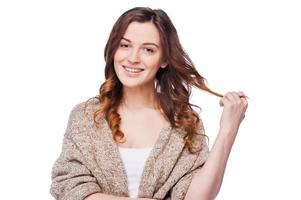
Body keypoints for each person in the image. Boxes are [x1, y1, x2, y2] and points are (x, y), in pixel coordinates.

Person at [50, 7, 248, 200]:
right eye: (125, 45)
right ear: (113, 49)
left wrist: (228, 130)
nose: (133, 58)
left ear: (164, 59)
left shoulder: (183, 121)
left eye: (148, 49)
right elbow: (69, 186)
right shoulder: (85, 116)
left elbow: (197, 197)